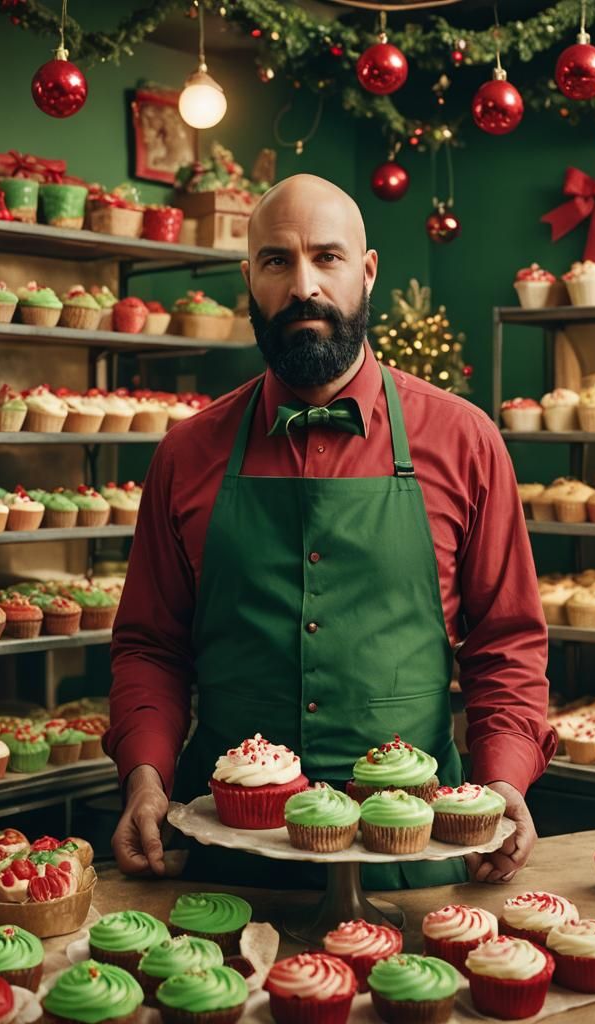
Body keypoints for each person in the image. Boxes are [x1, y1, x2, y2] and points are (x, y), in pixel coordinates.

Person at [105, 173, 556, 889]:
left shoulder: (465, 440)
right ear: (247, 277)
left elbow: (505, 644)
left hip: (412, 857)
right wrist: (146, 776)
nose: (303, 285)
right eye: (277, 261)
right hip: (222, 855)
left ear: (368, 270)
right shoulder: (187, 452)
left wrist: (505, 783)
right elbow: (150, 647)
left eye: (328, 257)